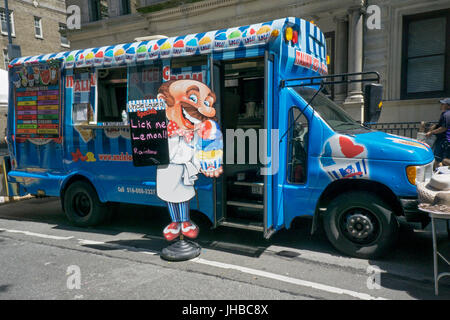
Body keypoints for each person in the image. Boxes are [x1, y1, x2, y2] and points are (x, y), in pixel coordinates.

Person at [426, 98, 450, 169]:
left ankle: (434, 176)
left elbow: (443, 128)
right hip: (446, 141)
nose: (441, 105)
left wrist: (431, 132)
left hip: (444, 141)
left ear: (448, 106)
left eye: (443, 104)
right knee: (442, 161)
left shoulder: (446, 114)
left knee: (438, 159)